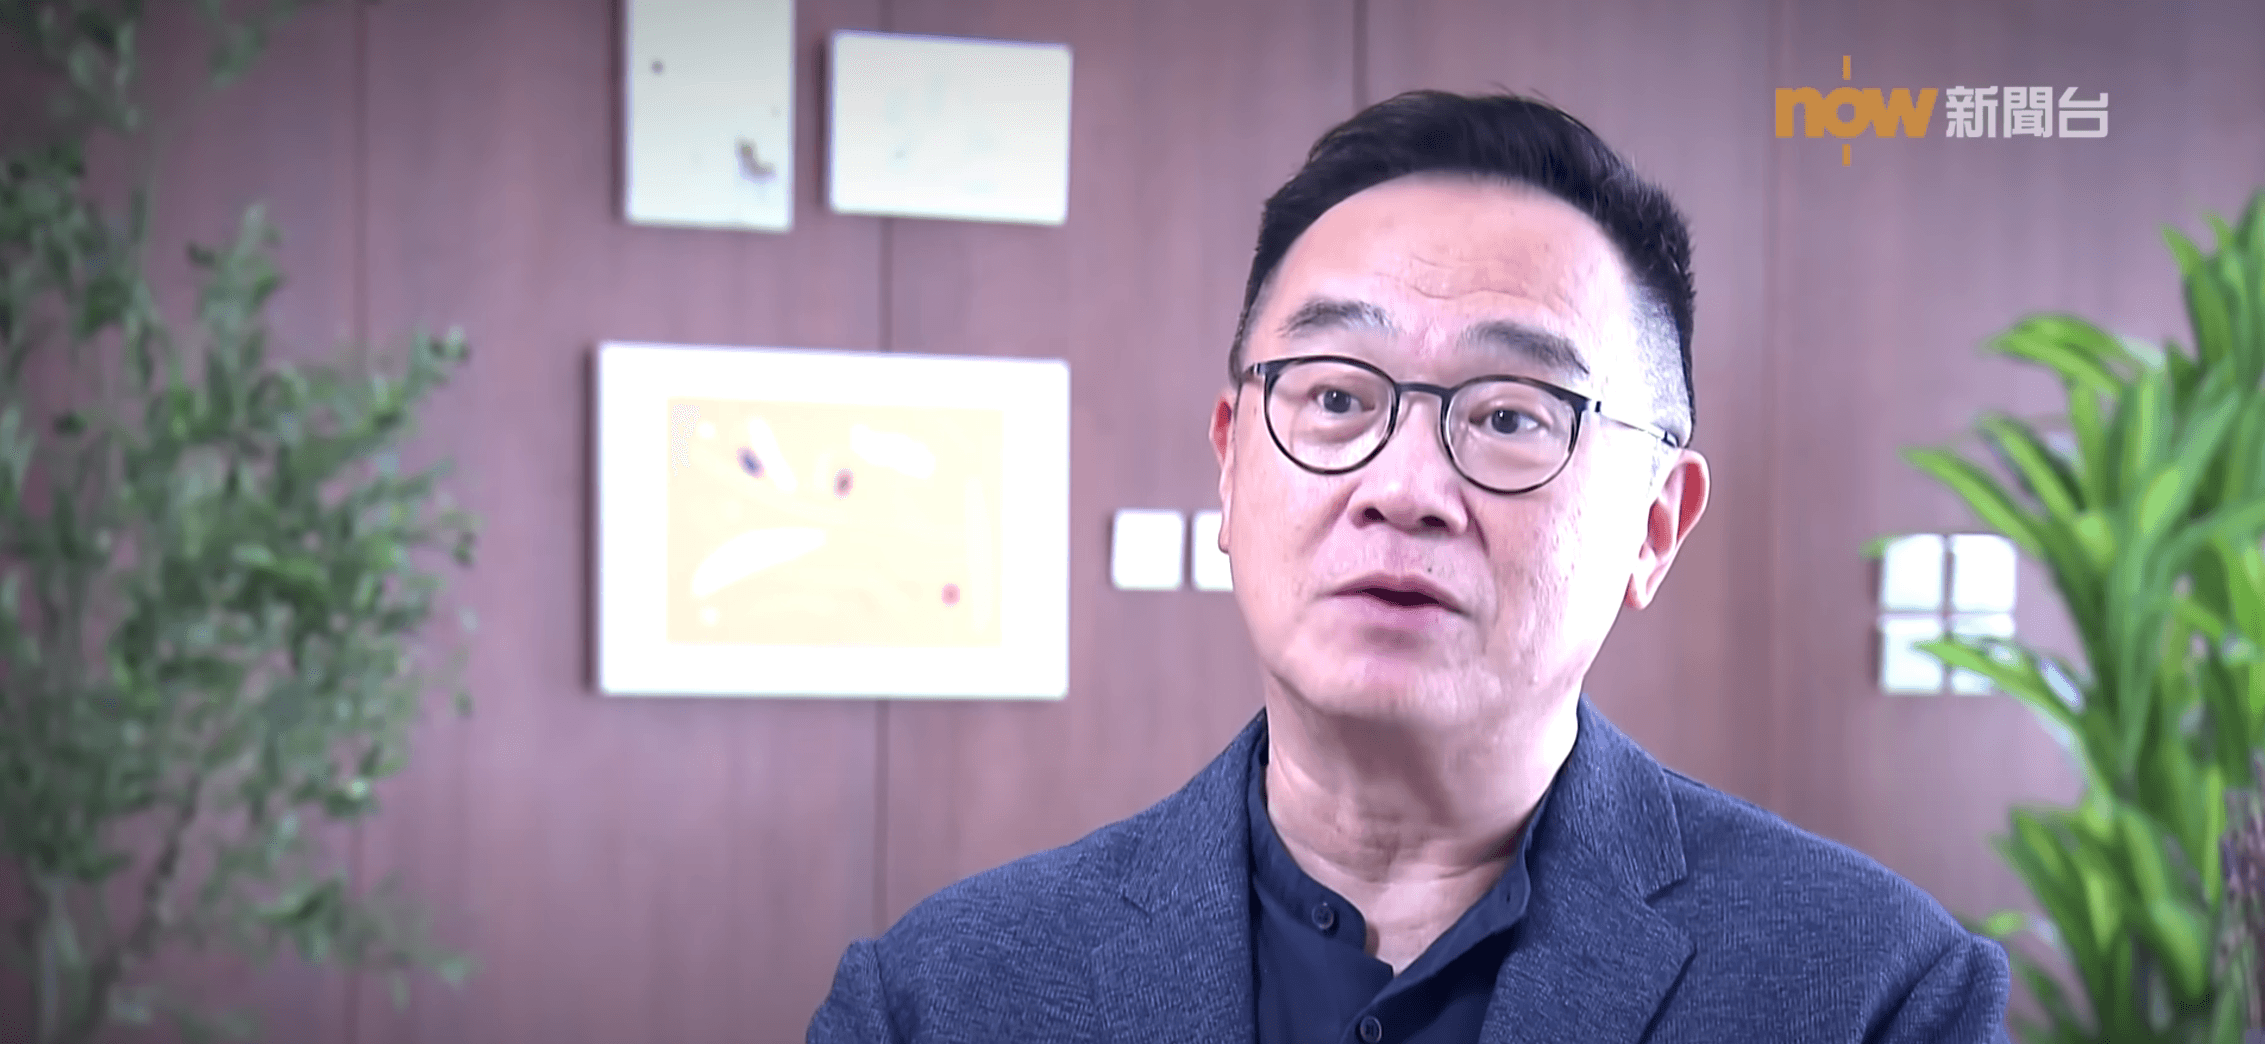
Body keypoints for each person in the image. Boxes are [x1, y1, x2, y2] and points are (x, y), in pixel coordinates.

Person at [807, 90, 2012, 1044]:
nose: (1402, 486)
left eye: (1510, 415)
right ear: (1231, 465)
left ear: (1655, 525)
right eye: (1336, 397)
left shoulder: (1877, 995)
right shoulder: (939, 996)